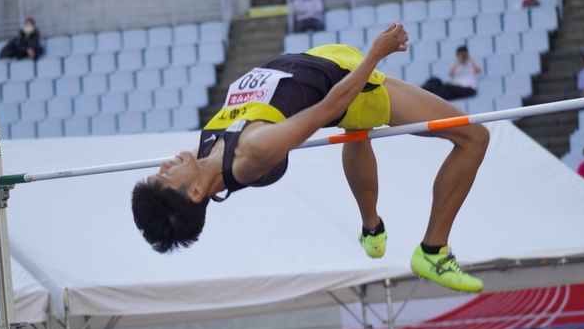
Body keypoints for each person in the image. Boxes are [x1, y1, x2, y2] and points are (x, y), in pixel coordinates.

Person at [131, 23, 490, 294]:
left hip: (326, 62)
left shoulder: (205, 150)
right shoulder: (252, 153)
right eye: (164, 177)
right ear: (194, 193)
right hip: (351, 84)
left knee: (356, 128)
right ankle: (432, 249)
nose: (164, 166)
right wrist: (376, 54)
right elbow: (329, 108)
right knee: (474, 137)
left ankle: (372, 230)